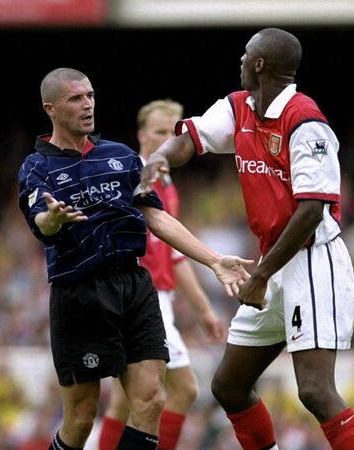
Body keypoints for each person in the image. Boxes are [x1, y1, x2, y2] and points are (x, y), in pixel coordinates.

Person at [140, 28, 354, 450]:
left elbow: (311, 211)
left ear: (260, 64)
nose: (241, 61)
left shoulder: (305, 120)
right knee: (229, 386)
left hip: (312, 261)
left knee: (315, 390)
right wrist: (158, 158)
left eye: (247, 55)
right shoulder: (240, 107)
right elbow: (191, 140)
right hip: (272, 262)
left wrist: (261, 275)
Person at [17, 68, 252, 450]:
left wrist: (213, 260)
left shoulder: (120, 156)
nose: (88, 105)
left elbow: (156, 217)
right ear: (51, 108)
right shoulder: (36, 167)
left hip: (134, 285)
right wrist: (53, 220)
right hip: (80, 293)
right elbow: (40, 222)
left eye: (90, 96)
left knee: (153, 398)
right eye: (76, 98)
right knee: (81, 417)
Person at [97, 99, 227, 450]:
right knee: (183, 389)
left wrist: (203, 309)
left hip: (154, 298)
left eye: (172, 132)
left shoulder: (166, 185)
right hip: (143, 298)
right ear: (141, 134)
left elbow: (174, 256)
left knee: (124, 399)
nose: (166, 140)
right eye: (158, 131)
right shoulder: (133, 180)